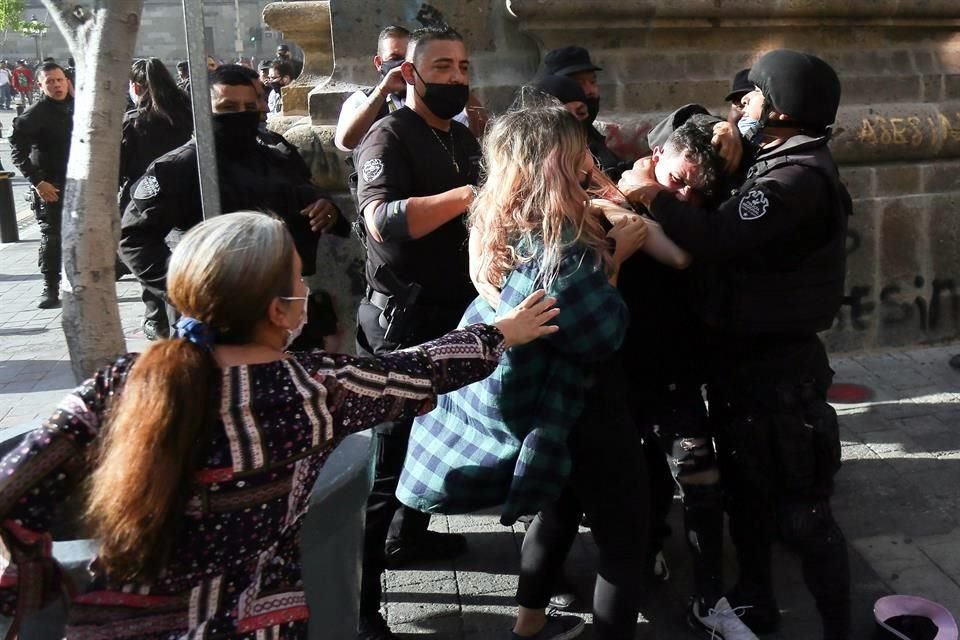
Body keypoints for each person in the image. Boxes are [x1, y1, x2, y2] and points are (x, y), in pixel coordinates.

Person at [0, 211, 560, 640]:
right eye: (299, 279)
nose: (306, 293)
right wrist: (502, 332)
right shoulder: (313, 391)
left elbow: (14, 486)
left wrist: (36, 585)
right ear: (278, 310)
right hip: (252, 625)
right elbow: (416, 370)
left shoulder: (121, 381)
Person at [619, 49, 852, 640]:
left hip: (779, 370)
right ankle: (755, 598)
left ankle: (837, 625)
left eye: (752, 98)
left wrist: (651, 194)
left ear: (780, 110)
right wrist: (726, 133)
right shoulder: (774, 158)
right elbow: (699, 140)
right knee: (747, 497)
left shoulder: (795, 179)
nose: (742, 106)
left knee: (802, 512)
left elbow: (718, 235)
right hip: (742, 366)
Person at [399, 103, 652, 640]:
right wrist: (615, 258)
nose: (588, 160)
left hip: (538, 410)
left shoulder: (495, 219)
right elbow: (599, 335)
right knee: (625, 538)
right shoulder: (560, 244)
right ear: (557, 161)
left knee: (556, 511)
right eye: (579, 152)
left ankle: (529, 625)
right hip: (583, 408)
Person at [352, 24, 483, 640]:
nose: (456, 78)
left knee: (436, 438)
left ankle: (412, 537)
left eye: (463, 67)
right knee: (387, 463)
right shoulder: (387, 135)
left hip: (454, 312)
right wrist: (465, 196)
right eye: (442, 67)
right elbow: (381, 221)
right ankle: (361, 603)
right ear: (409, 73)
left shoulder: (461, 135)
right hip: (402, 322)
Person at [119, 65, 343, 338]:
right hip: (212, 318)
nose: (240, 115)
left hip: (279, 310)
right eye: (228, 107)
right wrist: (187, 287)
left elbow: (307, 193)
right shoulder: (181, 167)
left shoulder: (274, 154)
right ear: (205, 110)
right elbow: (133, 239)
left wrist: (326, 207)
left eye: (249, 107)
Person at [120, 57, 194, 340]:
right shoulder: (187, 112)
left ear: (136, 87)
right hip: (187, 196)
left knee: (150, 258)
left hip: (144, 198)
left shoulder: (134, 122)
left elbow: (119, 167)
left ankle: (157, 317)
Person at [334, 25, 486, 152]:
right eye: (395, 58)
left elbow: (481, 132)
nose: (400, 65)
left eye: (406, 57)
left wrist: (457, 87)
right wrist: (381, 92)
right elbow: (345, 143)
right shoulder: (362, 100)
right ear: (379, 63)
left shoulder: (434, 97)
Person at [9, 62, 73, 309]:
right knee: (52, 236)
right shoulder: (33, 115)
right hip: (51, 185)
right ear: (40, 85)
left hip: (82, 183)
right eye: (50, 82)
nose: (56, 85)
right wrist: (38, 182)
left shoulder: (79, 107)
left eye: (60, 80)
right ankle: (51, 287)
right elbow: (18, 153)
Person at [536, 46, 630, 179]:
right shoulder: (544, 143)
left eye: (592, 81)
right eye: (578, 83)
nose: (590, 91)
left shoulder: (590, 134)